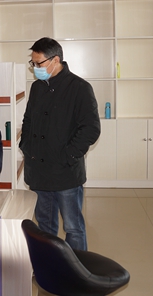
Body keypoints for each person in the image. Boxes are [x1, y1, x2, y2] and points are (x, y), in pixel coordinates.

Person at [20, 37, 100, 251]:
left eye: (39, 63)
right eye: (33, 63)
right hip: (39, 171)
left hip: (65, 172)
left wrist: (68, 156)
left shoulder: (80, 88)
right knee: (45, 225)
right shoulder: (37, 88)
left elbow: (91, 128)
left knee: (73, 227)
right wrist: (26, 146)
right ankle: (50, 264)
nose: (35, 68)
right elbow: (28, 120)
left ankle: (77, 266)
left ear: (56, 60)